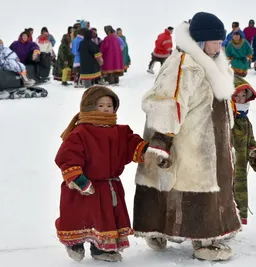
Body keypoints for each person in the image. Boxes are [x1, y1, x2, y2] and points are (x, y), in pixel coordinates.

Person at [133, 12, 241, 261]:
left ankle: (168, 227)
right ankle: (203, 239)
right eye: (215, 40)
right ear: (201, 41)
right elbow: (166, 102)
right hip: (190, 142)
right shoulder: (184, 64)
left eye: (221, 40)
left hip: (210, 140)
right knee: (193, 181)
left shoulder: (212, 63)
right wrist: (161, 141)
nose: (219, 45)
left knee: (210, 180)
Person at [54, 86, 149, 262]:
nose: (106, 109)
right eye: (100, 105)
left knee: (105, 219)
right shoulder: (80, 132)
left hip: (108, 186)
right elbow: (67, 157)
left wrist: (147, 150)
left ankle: (101, 249)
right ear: (89, 107)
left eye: (109, 106)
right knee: (80, 217)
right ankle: (74, 243)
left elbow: (131, 143)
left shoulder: (120, 131)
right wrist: (77, 178)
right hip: (84, 187)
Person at [230, 76, 256, 225]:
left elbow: (251, 139)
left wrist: (254, 150)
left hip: (241, 166)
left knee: (239, 190)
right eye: (236, 96)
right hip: (227, 164)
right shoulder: (228, 117)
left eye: (243, 96)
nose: (240, 99)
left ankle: (236, 218)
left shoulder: (245, 120)